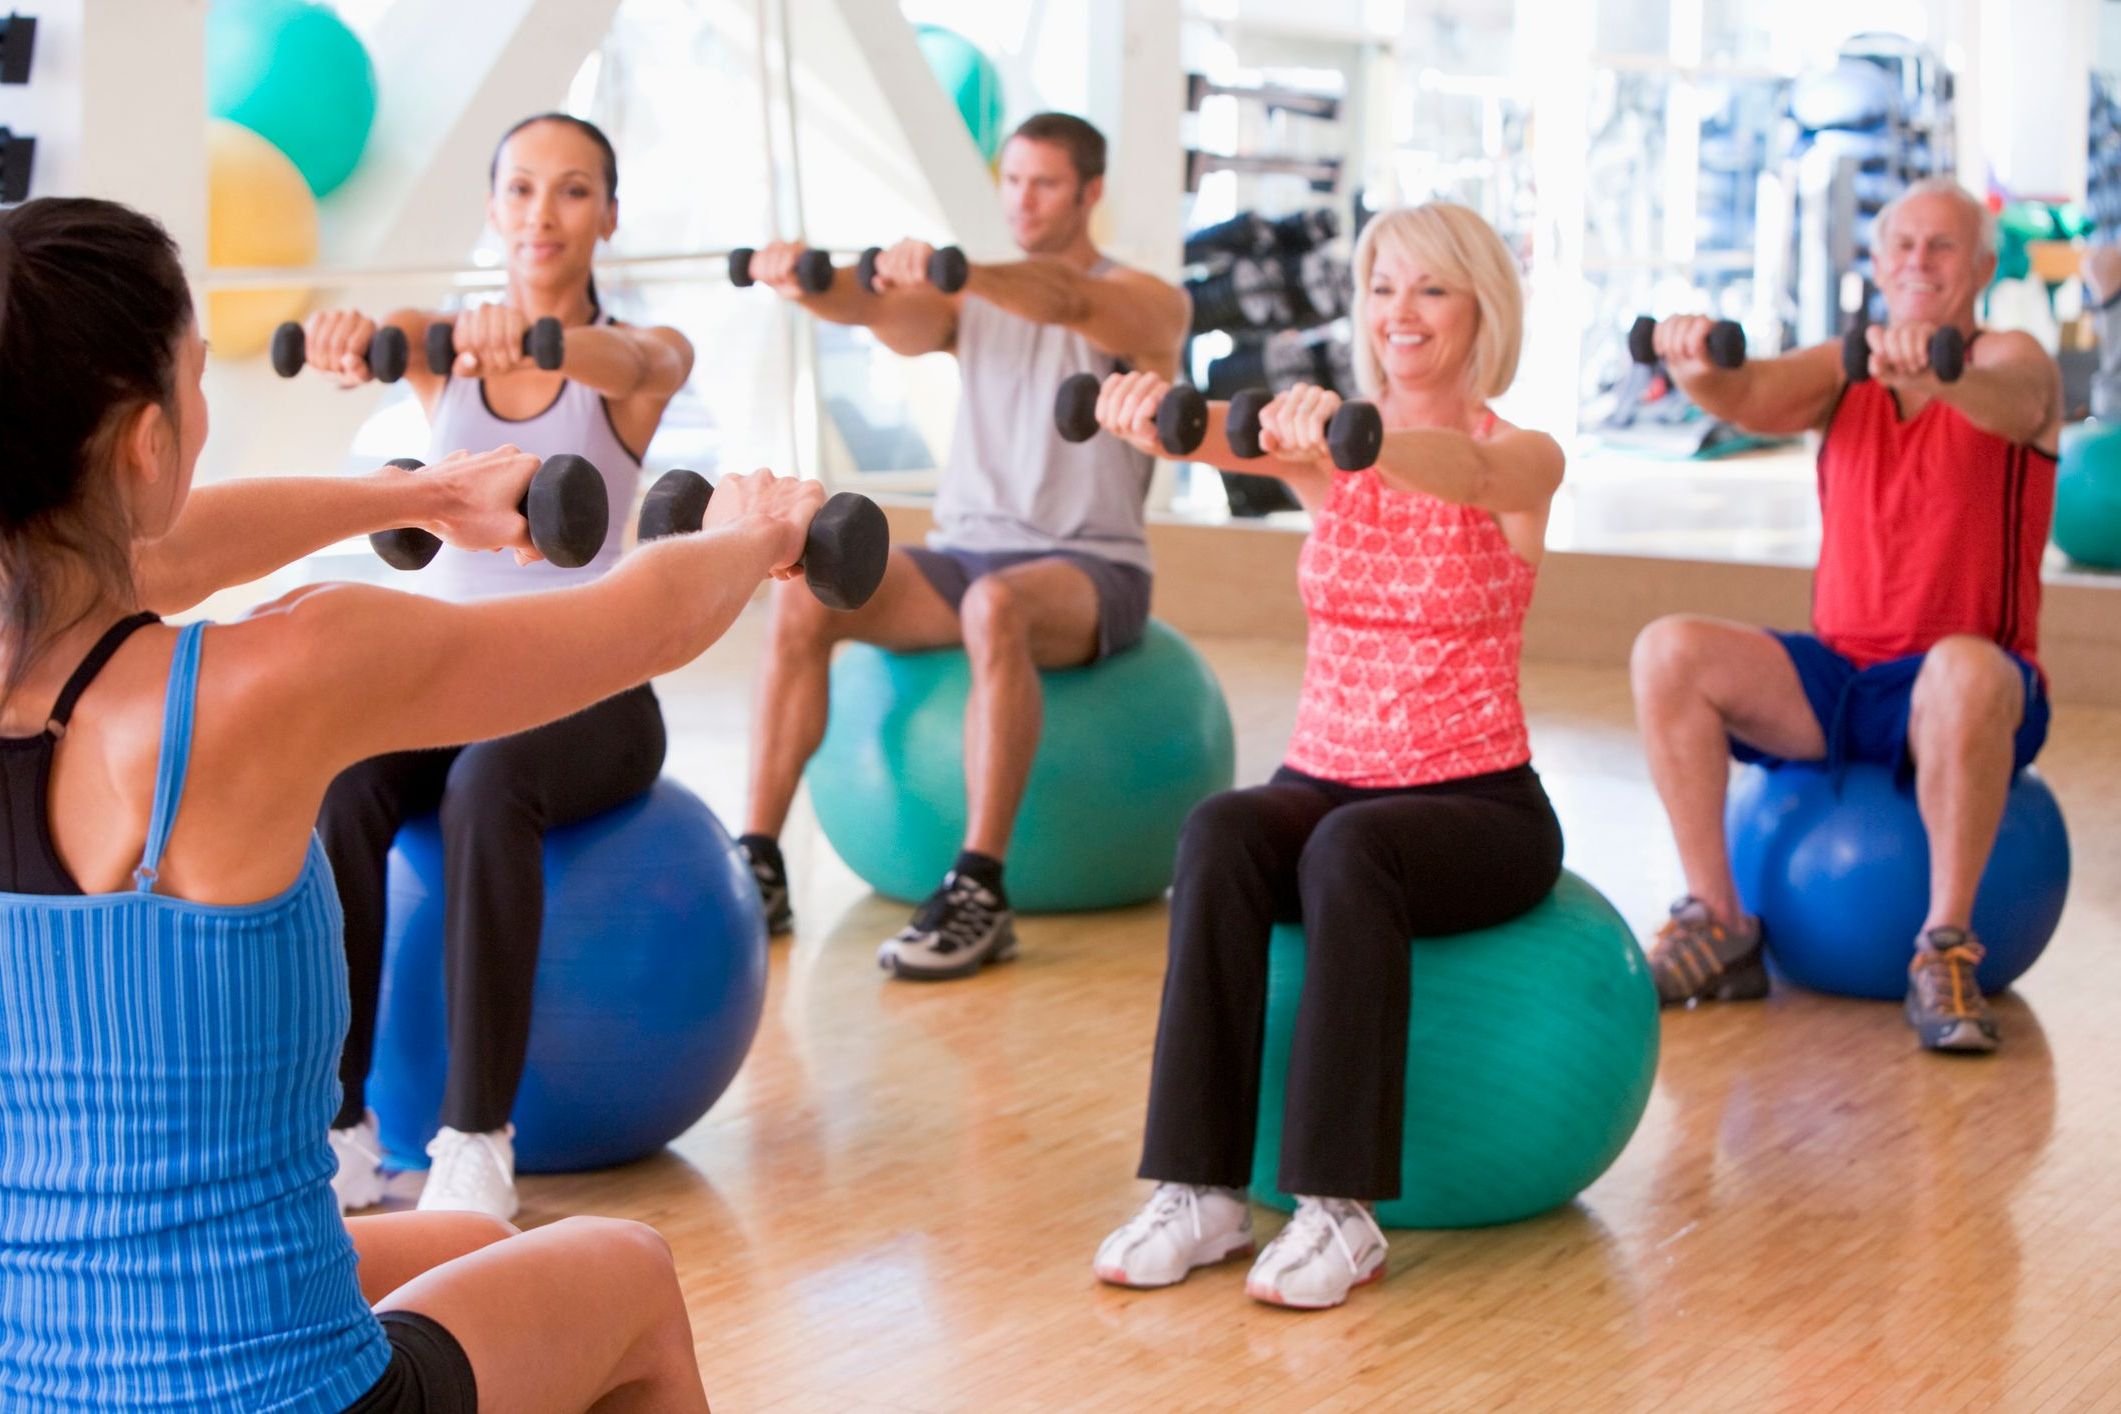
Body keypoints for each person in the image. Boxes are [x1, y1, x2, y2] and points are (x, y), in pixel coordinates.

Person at [0, 199, 821, 1409]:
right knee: (626, 1270)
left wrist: (419, 495)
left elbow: (146, 558)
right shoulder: (267, 684)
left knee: (474, 1252)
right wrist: (756, 540)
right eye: (193, 382)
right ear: (143, 444)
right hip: (272, 1389)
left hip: (39, 1369)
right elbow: (641, 622)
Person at [1089, 202, 1567, 1310]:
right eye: (1384, 287)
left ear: (1482, 309)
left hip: (1478, 801)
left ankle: (1341, 1213)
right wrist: (1148, 406)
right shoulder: (1334, 448)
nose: (1401, 313)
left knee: (1352, 851)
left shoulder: (1521, 458)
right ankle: (1200, 1187)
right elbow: (1216, 431)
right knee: (1221, 826)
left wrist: (1368, 435)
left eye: (1431, 289)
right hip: (1330, 774)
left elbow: (1469, 476)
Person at [299, 113, 694, 1218]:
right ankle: (342, 1128)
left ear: (608, 216)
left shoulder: (642, 360)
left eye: (572, 192)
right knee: (344, 779)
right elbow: (381, 335)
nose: (542, 214)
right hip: (462, 681)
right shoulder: (445, 343)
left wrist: (543, 340)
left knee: (488, 783)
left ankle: (476, 1136)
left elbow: (631, 357)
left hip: (596, 692)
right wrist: (344, 336)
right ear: (492, 206)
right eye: (520, 190)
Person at [734, 111, 1190, 980]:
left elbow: (1069, 298)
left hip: (1094, 567)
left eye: (1045, 183)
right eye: (1011, 180)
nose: (1022, 199)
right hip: (966, 548)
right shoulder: (968, 299)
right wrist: (805, 280)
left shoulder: (1149, 301)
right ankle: (759, 862)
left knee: (998, 606)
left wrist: (968, 273)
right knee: (802, 588)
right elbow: (878, 310)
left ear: (1090, 192)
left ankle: (980, 890)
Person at [1632, 177, 2062, 1053]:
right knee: (1667, 650)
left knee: (1963, 663)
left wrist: (1938, 376)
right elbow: (1747, 394)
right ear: (1875, 263)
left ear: (1979, 267)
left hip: (1971, 690)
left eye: (1940, 247)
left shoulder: (2009, 357)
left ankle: (1942, 947)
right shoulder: (1845, 369)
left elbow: (2013, 403)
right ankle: (1719, 923)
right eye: (1901, 246)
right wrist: (1694, 363)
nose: (1917, 261)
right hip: (1842, 679)